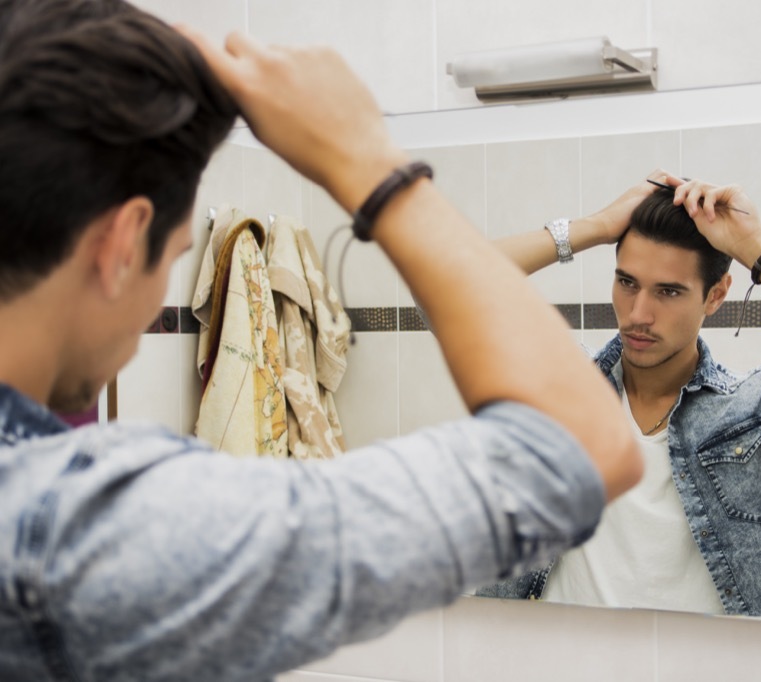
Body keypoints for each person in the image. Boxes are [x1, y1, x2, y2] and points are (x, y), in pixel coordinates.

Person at [0, 1, 643, 680]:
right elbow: (582, 449)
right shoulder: (82, 530)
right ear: (123, 243)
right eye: (174, 256)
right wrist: (367, 163)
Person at [477, 173, 761, 619]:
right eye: (627, 283)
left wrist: (756, 246)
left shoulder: (750, 410)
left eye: (668, 291)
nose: (638, 315)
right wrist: (597, 225)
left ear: (716, 295)